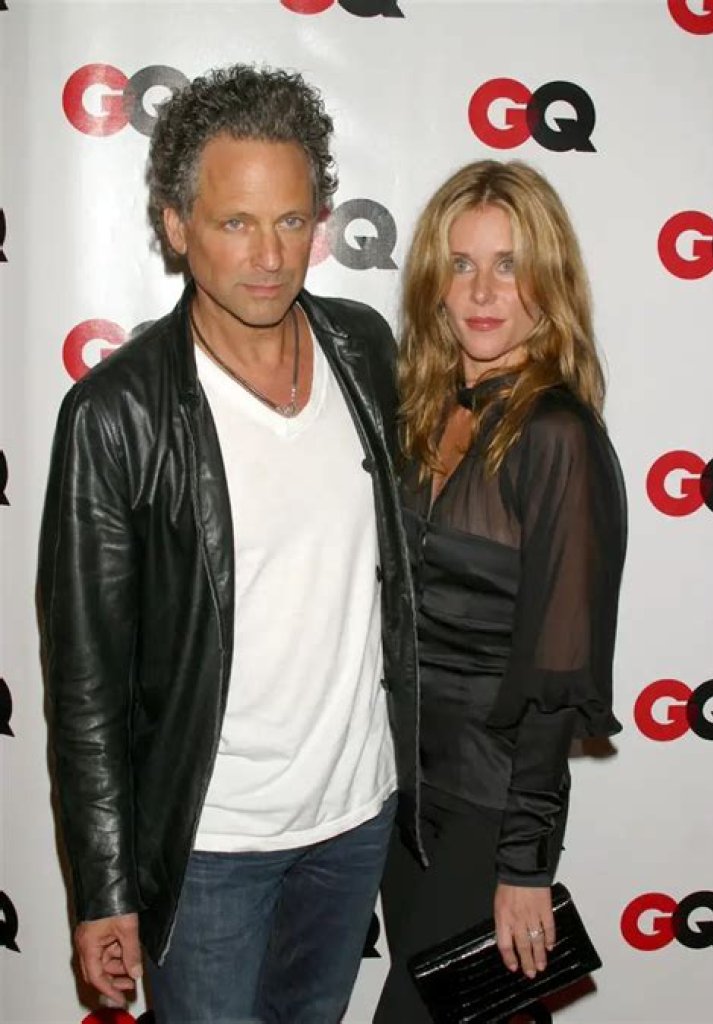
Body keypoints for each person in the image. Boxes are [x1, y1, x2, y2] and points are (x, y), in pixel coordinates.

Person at [38, 64, 422, 1024]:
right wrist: (103, 888)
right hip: (211, 846)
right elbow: (86, 684)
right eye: (235, 222)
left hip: (355, 822)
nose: (269, 255)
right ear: (176, 226)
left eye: (290, 220)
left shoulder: (363, 349)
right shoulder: (115, 415)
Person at [373, 159, 627, 1022]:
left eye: (509, 264)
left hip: (488, 811)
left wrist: (524, 865)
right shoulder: (424, 411)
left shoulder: (556, 435)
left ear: (548, 281)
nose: (483, 291)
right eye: (462, 263)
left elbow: (557, 673)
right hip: (402, 800)